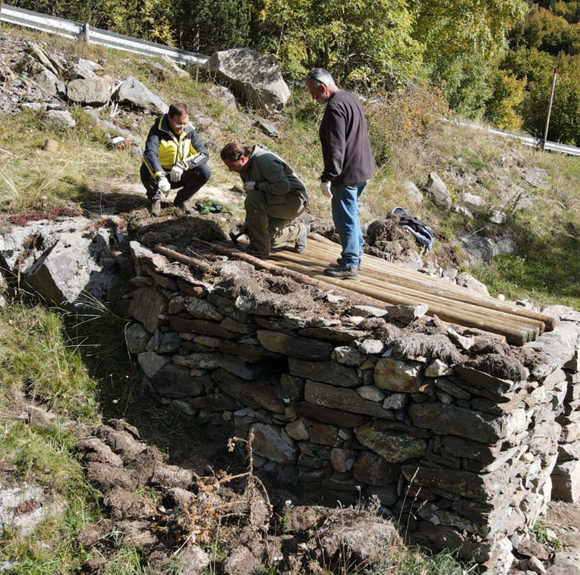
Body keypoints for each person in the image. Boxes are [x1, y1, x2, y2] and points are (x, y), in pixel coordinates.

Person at [305, 68, 375, 279]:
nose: (313, 97)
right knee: (352, 215)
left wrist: (329, 176)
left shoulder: (335, 107)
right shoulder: (350, 98)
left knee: (344, 218)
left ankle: (349, 264)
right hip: (362, 169)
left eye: (313, 92)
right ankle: (355, 257)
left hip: (346, 174)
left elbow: (337, 146)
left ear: (323, 87)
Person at [220, 142, 310, 259]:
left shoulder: (265, 160)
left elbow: (283, 186)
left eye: (231, 166)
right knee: (269, 240)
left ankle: (258, 251)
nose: (230, 170)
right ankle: (300, 230)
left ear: (242, 159)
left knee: (253, 199)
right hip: (275, 201)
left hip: (293, 201)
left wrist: (257, 186)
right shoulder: (245, 168)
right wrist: (250, 223)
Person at [141, 102, 211, 216]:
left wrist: (182, 165)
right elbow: (150, 153)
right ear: (169, 117)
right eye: (178, 124)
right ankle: (155, 198)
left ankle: (182, 200)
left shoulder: (189, 130)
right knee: (146, 168)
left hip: (179, 174)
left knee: (204, 171)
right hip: (160, 176)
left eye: (185, 123)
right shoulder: (157, 130)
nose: (182, 128)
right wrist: (160, 176)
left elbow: (203, 154)